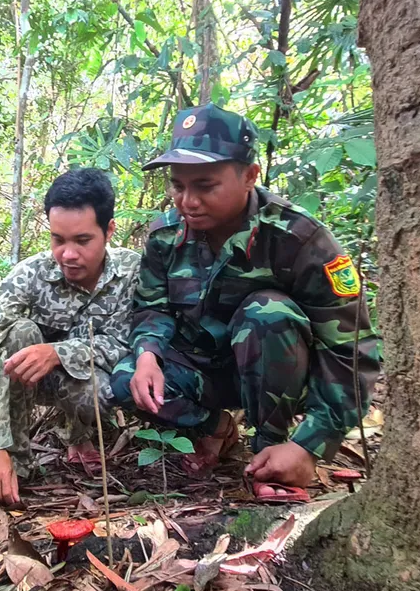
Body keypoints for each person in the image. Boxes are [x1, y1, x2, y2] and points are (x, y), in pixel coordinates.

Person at [110, 104, 381, 501]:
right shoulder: (165, 235)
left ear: (250, 176)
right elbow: (153, 308)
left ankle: (272, 450)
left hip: (279, 373)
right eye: (178, 185)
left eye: (205, 185)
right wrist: (148, 355)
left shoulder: (299, 238)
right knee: (123, 377)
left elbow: (351, 349)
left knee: (266, 311)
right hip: (204, 371)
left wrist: (311, 444)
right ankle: (216, 428)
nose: (188, 200)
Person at [0, 168, 140, 505]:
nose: (68, 254)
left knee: (100, 392)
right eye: (58, 239)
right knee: (19, 333)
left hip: (86, 379)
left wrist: (59, 352)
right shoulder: (31, 274)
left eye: (82, 240)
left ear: (109, 231)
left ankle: (81, 433)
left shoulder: (132, 272)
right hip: (32, 381)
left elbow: (123, 344)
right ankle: (15, 461)